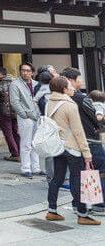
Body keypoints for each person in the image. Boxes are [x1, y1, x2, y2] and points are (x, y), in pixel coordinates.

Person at [44, 76, 100, 226]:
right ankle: (82, 214)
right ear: (63, 89)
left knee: (57, 178)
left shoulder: (49, 102)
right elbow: (78, 132)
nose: (73, 88)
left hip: (57, 146)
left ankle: (52, 210)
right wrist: (87, 153)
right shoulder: (70, 105)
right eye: (69, 86)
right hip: (72, 148)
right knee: (77, 180)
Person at [61, 68, 105, 214]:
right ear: (71, 80)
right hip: (90, 140)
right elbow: (94, 118)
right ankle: (99, 205)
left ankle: (77, 205)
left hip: (71, 142)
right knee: (99, 171)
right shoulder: (81, 98)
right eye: (79, 79)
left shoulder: (60, 98)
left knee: (77, 174)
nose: (82, 81)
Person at [9, 62, 42, 178]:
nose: (25, 72)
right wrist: (24, 114)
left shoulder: (36, 84)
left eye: (28, 70)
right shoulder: (15, 84)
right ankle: (26, 168)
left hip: (37, 117)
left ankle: (36, 168)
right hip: (25, 117)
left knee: (35, 143)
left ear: (32, 72)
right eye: (23, 70)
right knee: (26, 144)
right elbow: (14, 102)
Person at [0, 67, 20, 162]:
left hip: (4, 113)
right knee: (15, 132)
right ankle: (20, 152)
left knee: (8, 133)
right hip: (15, 112)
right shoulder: (14, 83)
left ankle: (15, 153)